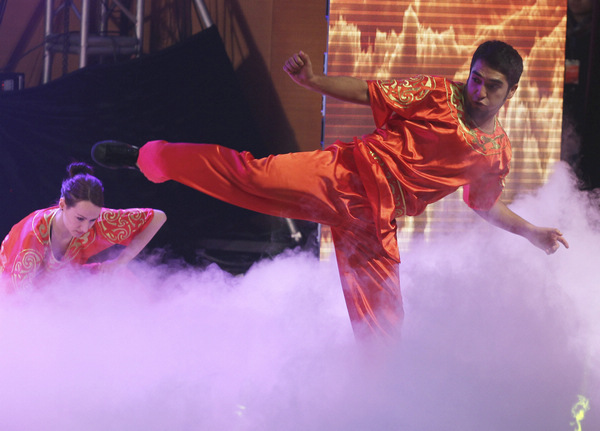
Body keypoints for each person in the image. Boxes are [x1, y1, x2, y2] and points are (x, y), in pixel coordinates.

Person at [91, 40, 568, 339]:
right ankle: (147, 158)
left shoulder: (494, 154)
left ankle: (374, 410)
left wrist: (532, 233)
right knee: (248, 175)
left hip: (375, 222)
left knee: (385, 328)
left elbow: (482, 204)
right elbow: (369, 92)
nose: (478, 91)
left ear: (511, 92)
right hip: (342, 174)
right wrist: (313, 80)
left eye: (492, 86)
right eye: (476, 78)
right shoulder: (440, 93)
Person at [0, 162, 167, 290]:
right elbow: (18, 296)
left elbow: (157, 217)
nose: (86, 228)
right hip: (19, 292)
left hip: (64, 283)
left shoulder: (97, 219)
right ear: (62, 204)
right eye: (80, 219)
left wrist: (120, 261)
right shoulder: (32, 235)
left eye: (92, 220)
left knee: (120, 275)